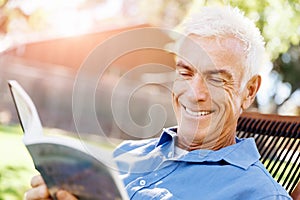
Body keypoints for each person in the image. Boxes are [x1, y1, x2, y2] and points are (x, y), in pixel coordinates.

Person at [25, 6, 294, 200]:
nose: (194, 93)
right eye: (185, 72)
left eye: (215, 79)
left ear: (249, 91)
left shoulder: (259, 194)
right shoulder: (128, 153)